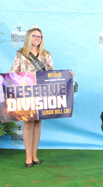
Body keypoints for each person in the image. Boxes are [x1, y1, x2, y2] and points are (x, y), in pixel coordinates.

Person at [9, 26, 74, 168]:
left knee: (38, 122)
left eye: (39, 37)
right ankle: (27, 157)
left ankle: (34, 155)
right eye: (34, 36)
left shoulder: (46, 54)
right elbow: (14, 71)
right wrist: (5, 79)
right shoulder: (20, 54)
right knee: (27, 123)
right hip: (27, 93)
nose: (37, 39)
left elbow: (53, 72)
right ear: (29, 37)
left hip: (41, 93)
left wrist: (67, 76)